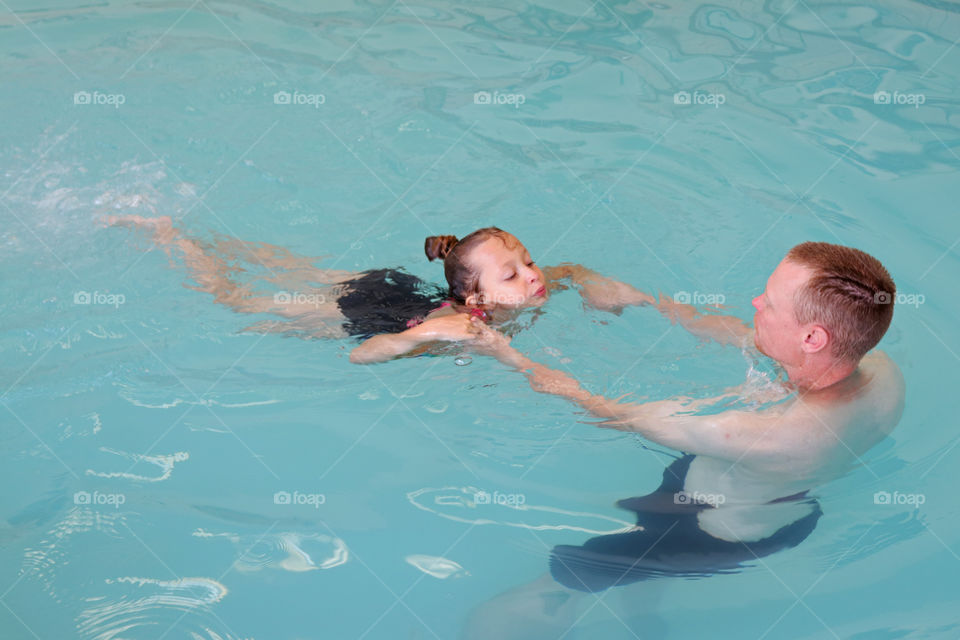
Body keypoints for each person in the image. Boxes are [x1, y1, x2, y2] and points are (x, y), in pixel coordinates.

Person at [462, 242, 904, 635]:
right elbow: (744, 336)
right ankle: (644, 614)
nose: (755, 302)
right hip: (780, 508)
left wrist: (501, 351)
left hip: (705, 533)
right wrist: (647, 302)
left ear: (811, 337)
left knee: (573, 572)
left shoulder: (738, 432)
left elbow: (600, 409)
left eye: (768, 303)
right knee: (642, 550)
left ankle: (532, 620)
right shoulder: (883, 373)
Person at [103, 216, 654, 364]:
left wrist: (598, 289)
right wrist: (414, 341)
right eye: (512, 274)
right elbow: (361, 356)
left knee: (305, 269)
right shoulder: (462, 323)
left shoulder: (531, 287)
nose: (534, 275)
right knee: (240, 301)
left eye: (527, 261)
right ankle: (174, 240)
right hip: (382, 314)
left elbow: (574, 269)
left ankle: (219, 236)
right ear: (479, 299)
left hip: (406, 288)